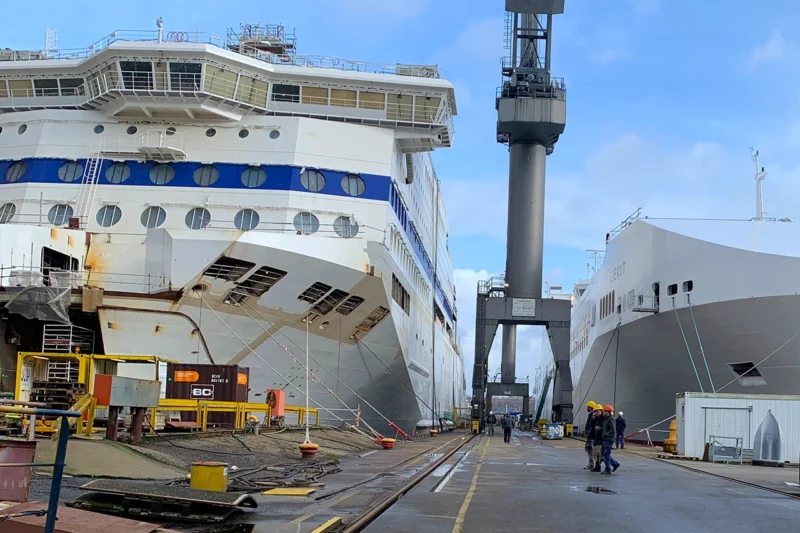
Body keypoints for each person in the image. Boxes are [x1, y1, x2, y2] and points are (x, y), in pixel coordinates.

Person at [601, 404, 621, 474]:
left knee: (606, 454)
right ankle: (615, 464)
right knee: (604, 454)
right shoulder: (606, 419)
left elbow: (613, 429)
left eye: (604, 411)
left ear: (608, 412)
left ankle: (608, 470)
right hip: (605, 439)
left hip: (609, 439)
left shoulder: (611, 419)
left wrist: (606, 434)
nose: (603, 412)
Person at [583, 401, 599, 470]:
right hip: (591, 434)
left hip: (591, 435)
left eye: (587, 407)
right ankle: (594, 463)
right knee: (590, 449)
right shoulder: (593, 414)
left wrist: (588, 432)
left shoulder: (592, 415)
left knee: (589, 449)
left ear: (590, 407)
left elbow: (591, 425)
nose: (586, 408)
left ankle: (591, 464)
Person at [590, 406, 604, 472]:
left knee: (598, 452)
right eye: (595, 411)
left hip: (601, 438)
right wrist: (593, 418)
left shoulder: (603, 418)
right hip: (596, 437)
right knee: (595, 453)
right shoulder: (596, 418)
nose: (595, 413)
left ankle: (612, 463)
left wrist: (600, 428)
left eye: (597, 411)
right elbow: (591, 426)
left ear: (600, 411)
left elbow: (606, 428)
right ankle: (597, 466)